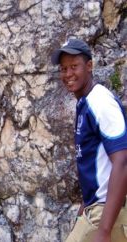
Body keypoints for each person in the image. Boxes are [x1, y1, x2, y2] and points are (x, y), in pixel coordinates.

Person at [51, 38, 127, 242]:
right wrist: (84, 209)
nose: (68, 74)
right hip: (95, 211)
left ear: (90, 66)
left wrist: (104, 231)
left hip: (107, 213)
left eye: (74, 66)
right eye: (64, 68)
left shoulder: (100, 102)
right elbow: (98, 165)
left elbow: (122, 161)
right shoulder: (85, 103)